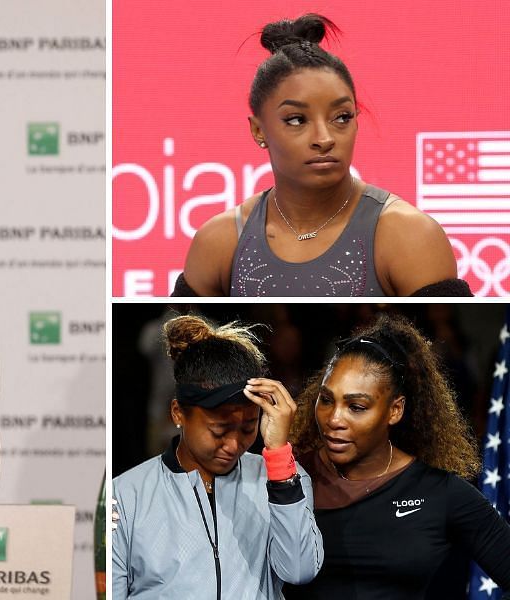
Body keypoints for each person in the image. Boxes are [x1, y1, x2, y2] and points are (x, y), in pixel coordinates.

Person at [175, 14, 470, 296]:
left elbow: (440, 347)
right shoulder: (220, 241)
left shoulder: (409, 235)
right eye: (296, 120)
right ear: (258, 131)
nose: (325, 139)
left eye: (341, 117)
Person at [284, 315, 510, 598]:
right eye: (327, 400)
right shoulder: (288, 477)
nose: (334, 419)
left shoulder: (442, 493)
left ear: (395, 410)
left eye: (356, 406)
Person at [112, 315, 322, 599]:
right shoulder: (124, 494)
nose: (234, 444)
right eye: (219, 430)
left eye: (248, 428)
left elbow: (299, 570)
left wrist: (279, 461)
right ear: (178, 413)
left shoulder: (283, 478)